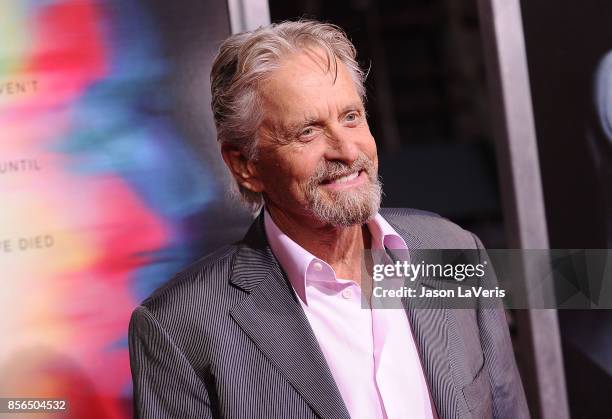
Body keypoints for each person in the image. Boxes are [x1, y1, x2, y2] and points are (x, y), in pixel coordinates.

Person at [128, 20, 529, 419]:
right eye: (307, 132)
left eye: (351, 117)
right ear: (245, 164)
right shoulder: (179, 327)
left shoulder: (454, 250)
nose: (346, 149)